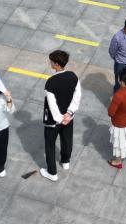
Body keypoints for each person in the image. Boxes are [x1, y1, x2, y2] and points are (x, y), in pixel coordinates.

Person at [40, 49, 81, 182]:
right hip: (69, 118)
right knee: (67, 139)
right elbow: (77, 96)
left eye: (51, 61)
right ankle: (65, 161)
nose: (50, 63)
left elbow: (52, 105)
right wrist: (69, 113)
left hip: (53, 121)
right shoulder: (73, 76)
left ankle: (52, 172)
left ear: (57, 64)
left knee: (50, 145)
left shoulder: (50, 82)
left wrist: (59, 118)